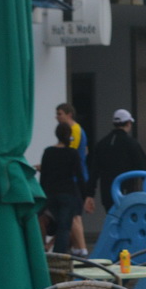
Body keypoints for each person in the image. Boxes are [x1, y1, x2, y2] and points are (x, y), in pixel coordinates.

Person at [37, 122, 90, 254]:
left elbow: (44, 176)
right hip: (68, 193)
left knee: (43, 220)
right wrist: (85, 196)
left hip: (51, 193)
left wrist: (42, 195)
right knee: (64, 227)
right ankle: (59, 256)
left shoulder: (48, 152)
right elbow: (80, 175)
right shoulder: (72, 153)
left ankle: (42, 250)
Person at [90, 109, 146, 212]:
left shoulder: (102, 143)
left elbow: (94, 170)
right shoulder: (131, 143)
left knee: (112, 219)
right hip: (126, 190)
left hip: (107, 191)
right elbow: (143, 167)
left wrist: (89, 194)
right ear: (128, 123)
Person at [55, 103, 91, 254]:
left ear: (69, 114)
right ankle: (77, 247)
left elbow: (70, 152)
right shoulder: (76, 130)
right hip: (74, 178)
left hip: (75, 179)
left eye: (60, 114)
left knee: (75, 215)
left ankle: (82, 248)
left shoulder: (74, 131)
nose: (57, 117)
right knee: (72, 215)